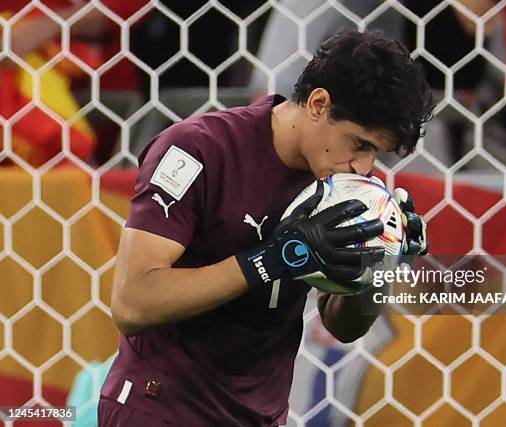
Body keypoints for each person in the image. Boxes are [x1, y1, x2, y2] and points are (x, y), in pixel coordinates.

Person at [98, 29, 432, 426]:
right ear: (318, 104)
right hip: (161, 409)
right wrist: (270, 260)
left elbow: (342, 326)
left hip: (262, 417)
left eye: (376, 152)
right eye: (359, 144)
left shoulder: (342, 184)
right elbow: (132, 302)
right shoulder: (195, 150)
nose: (364, 167)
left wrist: (380, 270)